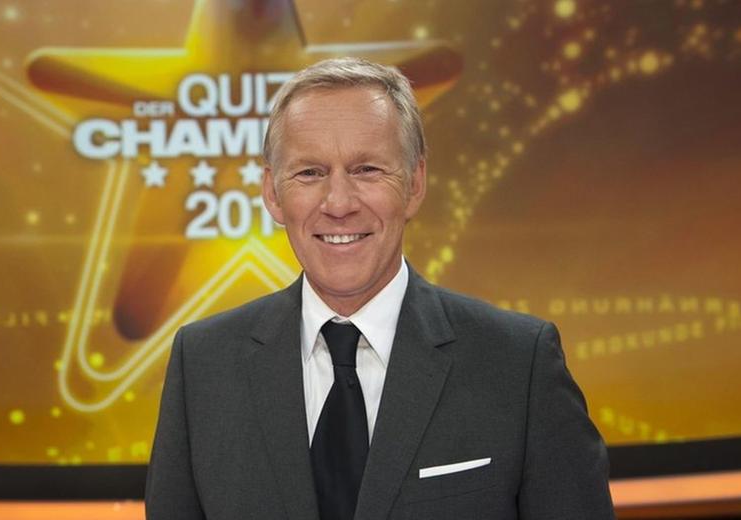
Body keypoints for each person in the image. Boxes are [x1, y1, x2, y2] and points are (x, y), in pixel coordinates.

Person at [146, 57, 614, 520]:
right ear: (272, 192)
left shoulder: (519, 365)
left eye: (367, 169)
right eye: (310, 173)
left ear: (414, 183)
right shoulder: (202, 364)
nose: (338, 204)